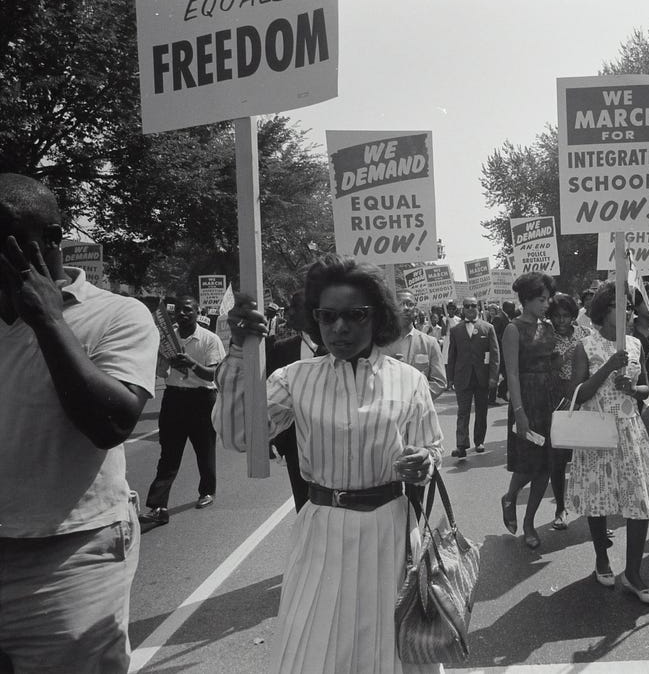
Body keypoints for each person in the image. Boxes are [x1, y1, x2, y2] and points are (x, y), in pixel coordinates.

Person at [215, 255, 442, 674]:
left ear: (378, 317)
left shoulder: (409, 380)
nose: (340, 328)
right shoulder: (294, 378)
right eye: (327, 316)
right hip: (321, 528)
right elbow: (239, 435)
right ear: (314, 318)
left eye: (355, 315)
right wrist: (237, 352)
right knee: (313, 648)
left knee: (389, 650)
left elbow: (431, 448)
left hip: (389, 531)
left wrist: (422, 461)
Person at [0, 173, 158, 672]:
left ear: (48, 241)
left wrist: (48, 320)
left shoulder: (118, 315)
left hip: (69, 558)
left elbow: (110, 424)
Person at [567, 282, 649, 603]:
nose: (626, 309)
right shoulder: (587, 345)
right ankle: (602, 557)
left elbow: (647, 390)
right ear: (603, 310)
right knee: (599, 499)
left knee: (638, 501)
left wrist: (632, 388)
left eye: (628, 304)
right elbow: (578, 394)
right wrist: (609, 368)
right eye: (618, 305)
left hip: (630, 429)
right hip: (596, 428)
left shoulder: (635, 345)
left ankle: (634, 574)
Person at [140, 294, 225, 525]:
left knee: (204, 450)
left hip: (202, 400)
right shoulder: (167, 340)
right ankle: (158, 506)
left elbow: (215, 374)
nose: (183, 313)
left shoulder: (210, 339)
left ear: (197, 312)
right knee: (168, 454)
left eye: (188, 309)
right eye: (179, 310)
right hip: (174, 399)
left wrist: (191, 365)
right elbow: (161, 373)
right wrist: (165, 362)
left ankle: (207, 491)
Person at [500, 271, 559, 549]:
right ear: (526, 300)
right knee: (527, 465)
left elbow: (556, 361)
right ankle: (510, 496)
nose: (546, 304)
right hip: (526, 401)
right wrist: (519, 411)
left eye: (548, 299)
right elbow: (511, 374)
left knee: (546, 466)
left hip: (549, 403)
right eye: (541, 299)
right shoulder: (513, 329)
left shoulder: (548, 327)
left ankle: (529, 522)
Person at [266, 289, 322, 512]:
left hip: (333, 439)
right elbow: (269, 399)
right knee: (304, 505)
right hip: (295, 443)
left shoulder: (340, 349)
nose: (288, 313)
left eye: (295, 307)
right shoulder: (281, 349)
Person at [548, 292, 590, 530]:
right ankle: (560, 507)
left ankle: (591, 510)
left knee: (588, 456)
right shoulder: (546, 337)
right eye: (556, 316)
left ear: (574, 316)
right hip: (560, 400)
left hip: (586, 398)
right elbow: (547, 367)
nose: (561, 321)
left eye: (565, 316)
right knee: (558, 458)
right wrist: (566, 355)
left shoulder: (586, 334)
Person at [447, 296, 500, 458]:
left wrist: (493, 376)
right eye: (467, 306)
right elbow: (452, 355)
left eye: (473, 305)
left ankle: (479, 441)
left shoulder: (488, 328)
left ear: (478, 307)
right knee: (463, 411)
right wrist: (450, 378)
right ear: (462, 309)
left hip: (482, 377)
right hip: (462, 377)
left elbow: (495, 355)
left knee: (481, 411)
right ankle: (461, 445)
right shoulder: (456, 330)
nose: (470, 308)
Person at [381, 287, 447, 399]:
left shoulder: (429, 343)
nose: (406, 308)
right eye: (400, 304)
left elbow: (439, 382)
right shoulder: (380, 343)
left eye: (410, 304)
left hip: (420, 411)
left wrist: (416, 400)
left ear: (415, 310)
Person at [489, 300, 513, 404]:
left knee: (507, 374)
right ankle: (493, 397)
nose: (513, 309)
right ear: (506, 308)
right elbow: (493, 335)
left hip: (504, 351)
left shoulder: (504, 316)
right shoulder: (499, 318)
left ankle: (501, 392)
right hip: (499, 351)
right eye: (512, 307)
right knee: (497, 374)